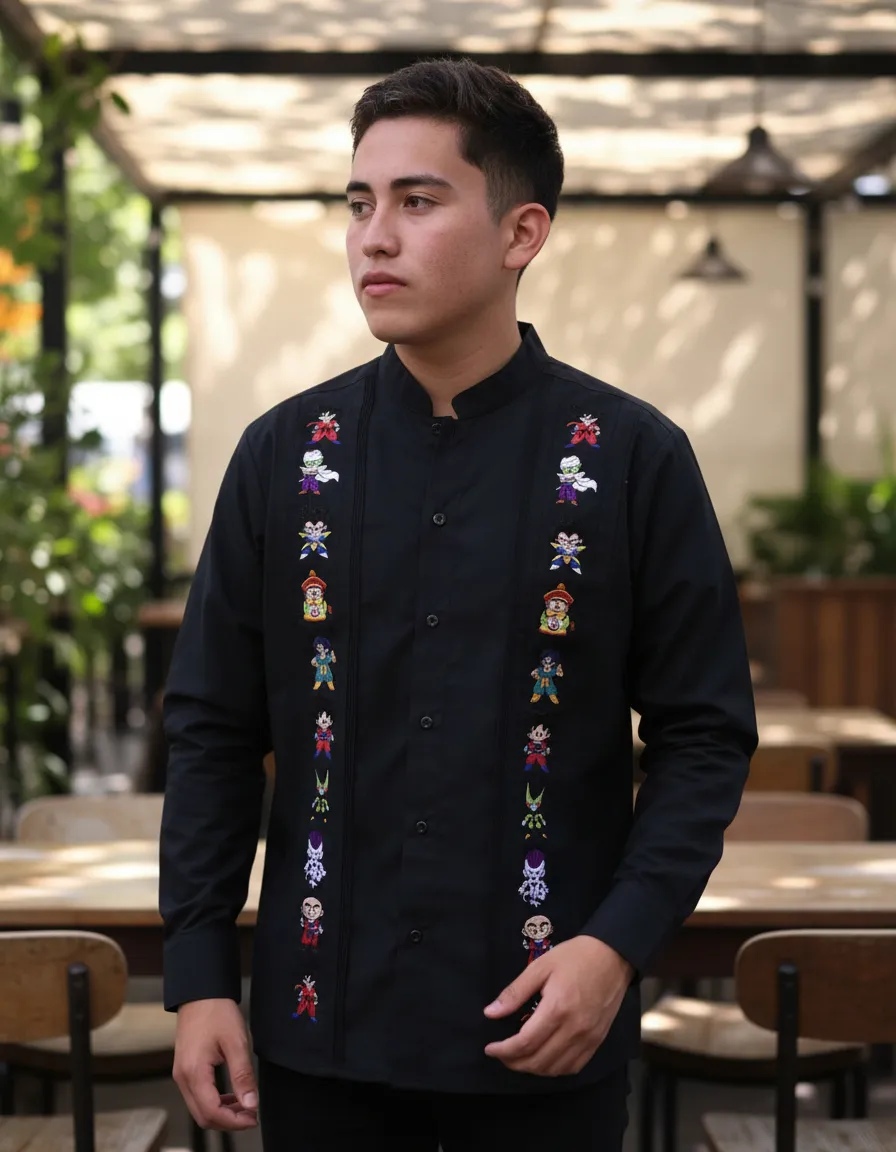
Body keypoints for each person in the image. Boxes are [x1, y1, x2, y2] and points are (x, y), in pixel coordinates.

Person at [160, 57, 757, 1152]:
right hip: (321, 1024)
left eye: (418, 201)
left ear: (521, 233)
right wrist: (198, 976)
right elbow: (211, 729)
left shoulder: (629, 459)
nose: (373, 238)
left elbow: (704, 733)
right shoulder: (286, 457)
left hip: (546, 1019)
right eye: (359, 203)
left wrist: (614, 946)